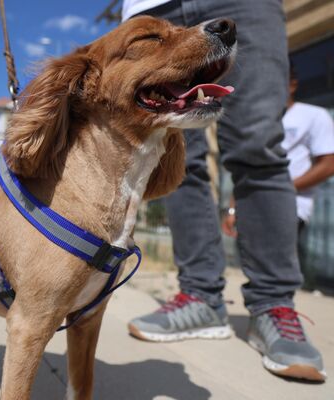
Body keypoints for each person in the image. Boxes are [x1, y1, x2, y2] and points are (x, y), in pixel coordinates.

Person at [122, 0, 327, 381]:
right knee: (174, 157)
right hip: (153, 7)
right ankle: (199, 296)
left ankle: (274, 305)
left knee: (259, 145)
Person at [223, 65, 334, 283]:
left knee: (274, 268)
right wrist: (233, 208)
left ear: (292, 84)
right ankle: (266, 311)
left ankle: (279, 310)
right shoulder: (258, 121)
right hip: (251, 203)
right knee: (253, 267)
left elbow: (329, 164)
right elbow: (246, 166)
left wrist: (283, 189)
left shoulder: (314, 115)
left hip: (291, 205)